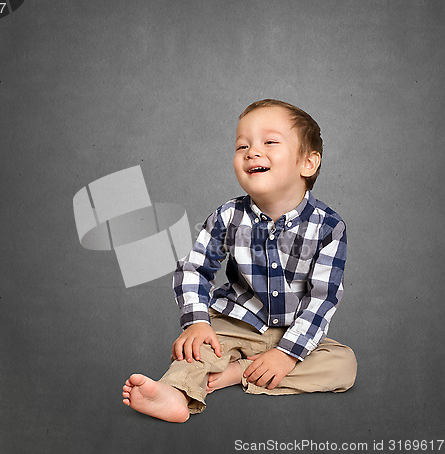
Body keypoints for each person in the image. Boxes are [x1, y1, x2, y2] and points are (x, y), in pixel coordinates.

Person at [122, 99, 357, 423]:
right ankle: (174, 393)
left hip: (295, 329)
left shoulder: (328, 227)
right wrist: (197, 322)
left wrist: (288, 354)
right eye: (242, 145)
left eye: (269, 142)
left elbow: (322, 298)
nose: (251, 151)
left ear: (308, 163)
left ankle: (240, 373)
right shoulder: (228, 216)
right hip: (237, 322)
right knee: (198, 348)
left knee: (343, 364)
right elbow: (194, 269)